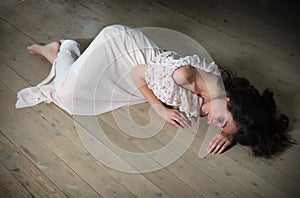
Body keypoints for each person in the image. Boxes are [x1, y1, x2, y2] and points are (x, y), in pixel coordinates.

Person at [16, 25, 292, 158]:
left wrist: (228, 132)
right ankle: (63, 49)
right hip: (123, 51)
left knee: (81, 100)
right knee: (68, 96)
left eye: (219, 125)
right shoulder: (185, 77)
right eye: (220, 121)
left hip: (153, 74)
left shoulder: (220, 96)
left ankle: (61, 60)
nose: (212, 123)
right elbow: (137, 73)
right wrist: (159, 108)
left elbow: (233, 115)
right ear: (229, 102)